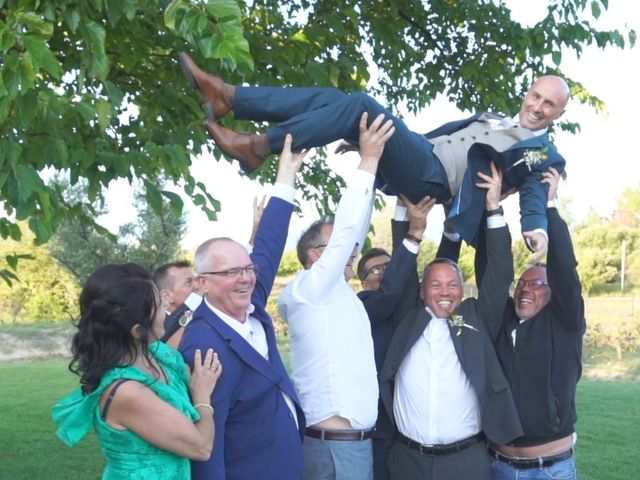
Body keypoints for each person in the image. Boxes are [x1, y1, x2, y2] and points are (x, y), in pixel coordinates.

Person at [179, 52, 570, 259]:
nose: (538, 107)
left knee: (362, 103)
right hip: (419, 153)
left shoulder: (543, 153)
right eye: (536, 96)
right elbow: (440, 137)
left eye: (549, 105)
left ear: (559, 113)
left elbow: (535, 190)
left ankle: (259, 146)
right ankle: (230, 97)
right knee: (339, 103)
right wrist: (374, 148)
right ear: (528, 93)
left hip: (432, 180)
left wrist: (537, 228)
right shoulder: (495, 118)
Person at [379, 162, 522, 480]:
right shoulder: (409, 318)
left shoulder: (472, 318)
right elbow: (401, 272)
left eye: (452, 284)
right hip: (407, 460)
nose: (445, 292)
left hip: (465, 462)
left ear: (462, 289)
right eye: (436, 284)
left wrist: (494, 210)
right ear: (422, 291)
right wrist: (404, 211)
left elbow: (498, 276)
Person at [179, 134, 308, 480]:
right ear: (202, 283)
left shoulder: (249, 302)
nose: (245, 278)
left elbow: (269, 245)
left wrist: (286, 176)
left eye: (248, 269)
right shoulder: (204, 344)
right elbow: (207, 446)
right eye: (231, 272)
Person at [278, 112, 395, 480]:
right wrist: (369, 159)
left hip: (348, 445)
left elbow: (352, 231)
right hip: (334, 448)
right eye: (339, 249)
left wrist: (377, 170)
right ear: (316, 255)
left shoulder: (338, 294)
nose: (354, 252)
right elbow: (346, 230)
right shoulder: (311, 288)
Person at [53, 263, 222, 479]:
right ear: (137, 330)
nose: (167, 309)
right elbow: (201, 447)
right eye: (161, 306)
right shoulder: (125, 391)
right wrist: (202, 396)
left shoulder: (156, 352)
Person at [482, 167, 585, 480]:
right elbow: (492, 270)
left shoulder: (564, 323)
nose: (526, 289)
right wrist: (492, 210)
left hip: (550, 469)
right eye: (523, 284)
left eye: (538, 284)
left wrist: (549, 208)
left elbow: (565, 271)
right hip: (499, 465)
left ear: (552, 294)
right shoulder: (502, 321)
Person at [356, 195, 435, 480]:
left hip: (411, 430)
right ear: (363, 281)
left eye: (391, 267)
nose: (386, 274)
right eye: (377, 270)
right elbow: (389, 294)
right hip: (378, 431)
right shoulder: (362, 307)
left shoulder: (409, 308)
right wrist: (413, 233)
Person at [152, 261, 202, 347]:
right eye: (189, 282)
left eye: (196, 280)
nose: (197, 286)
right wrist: (196, 299)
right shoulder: (157, 327)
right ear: (167, 295)